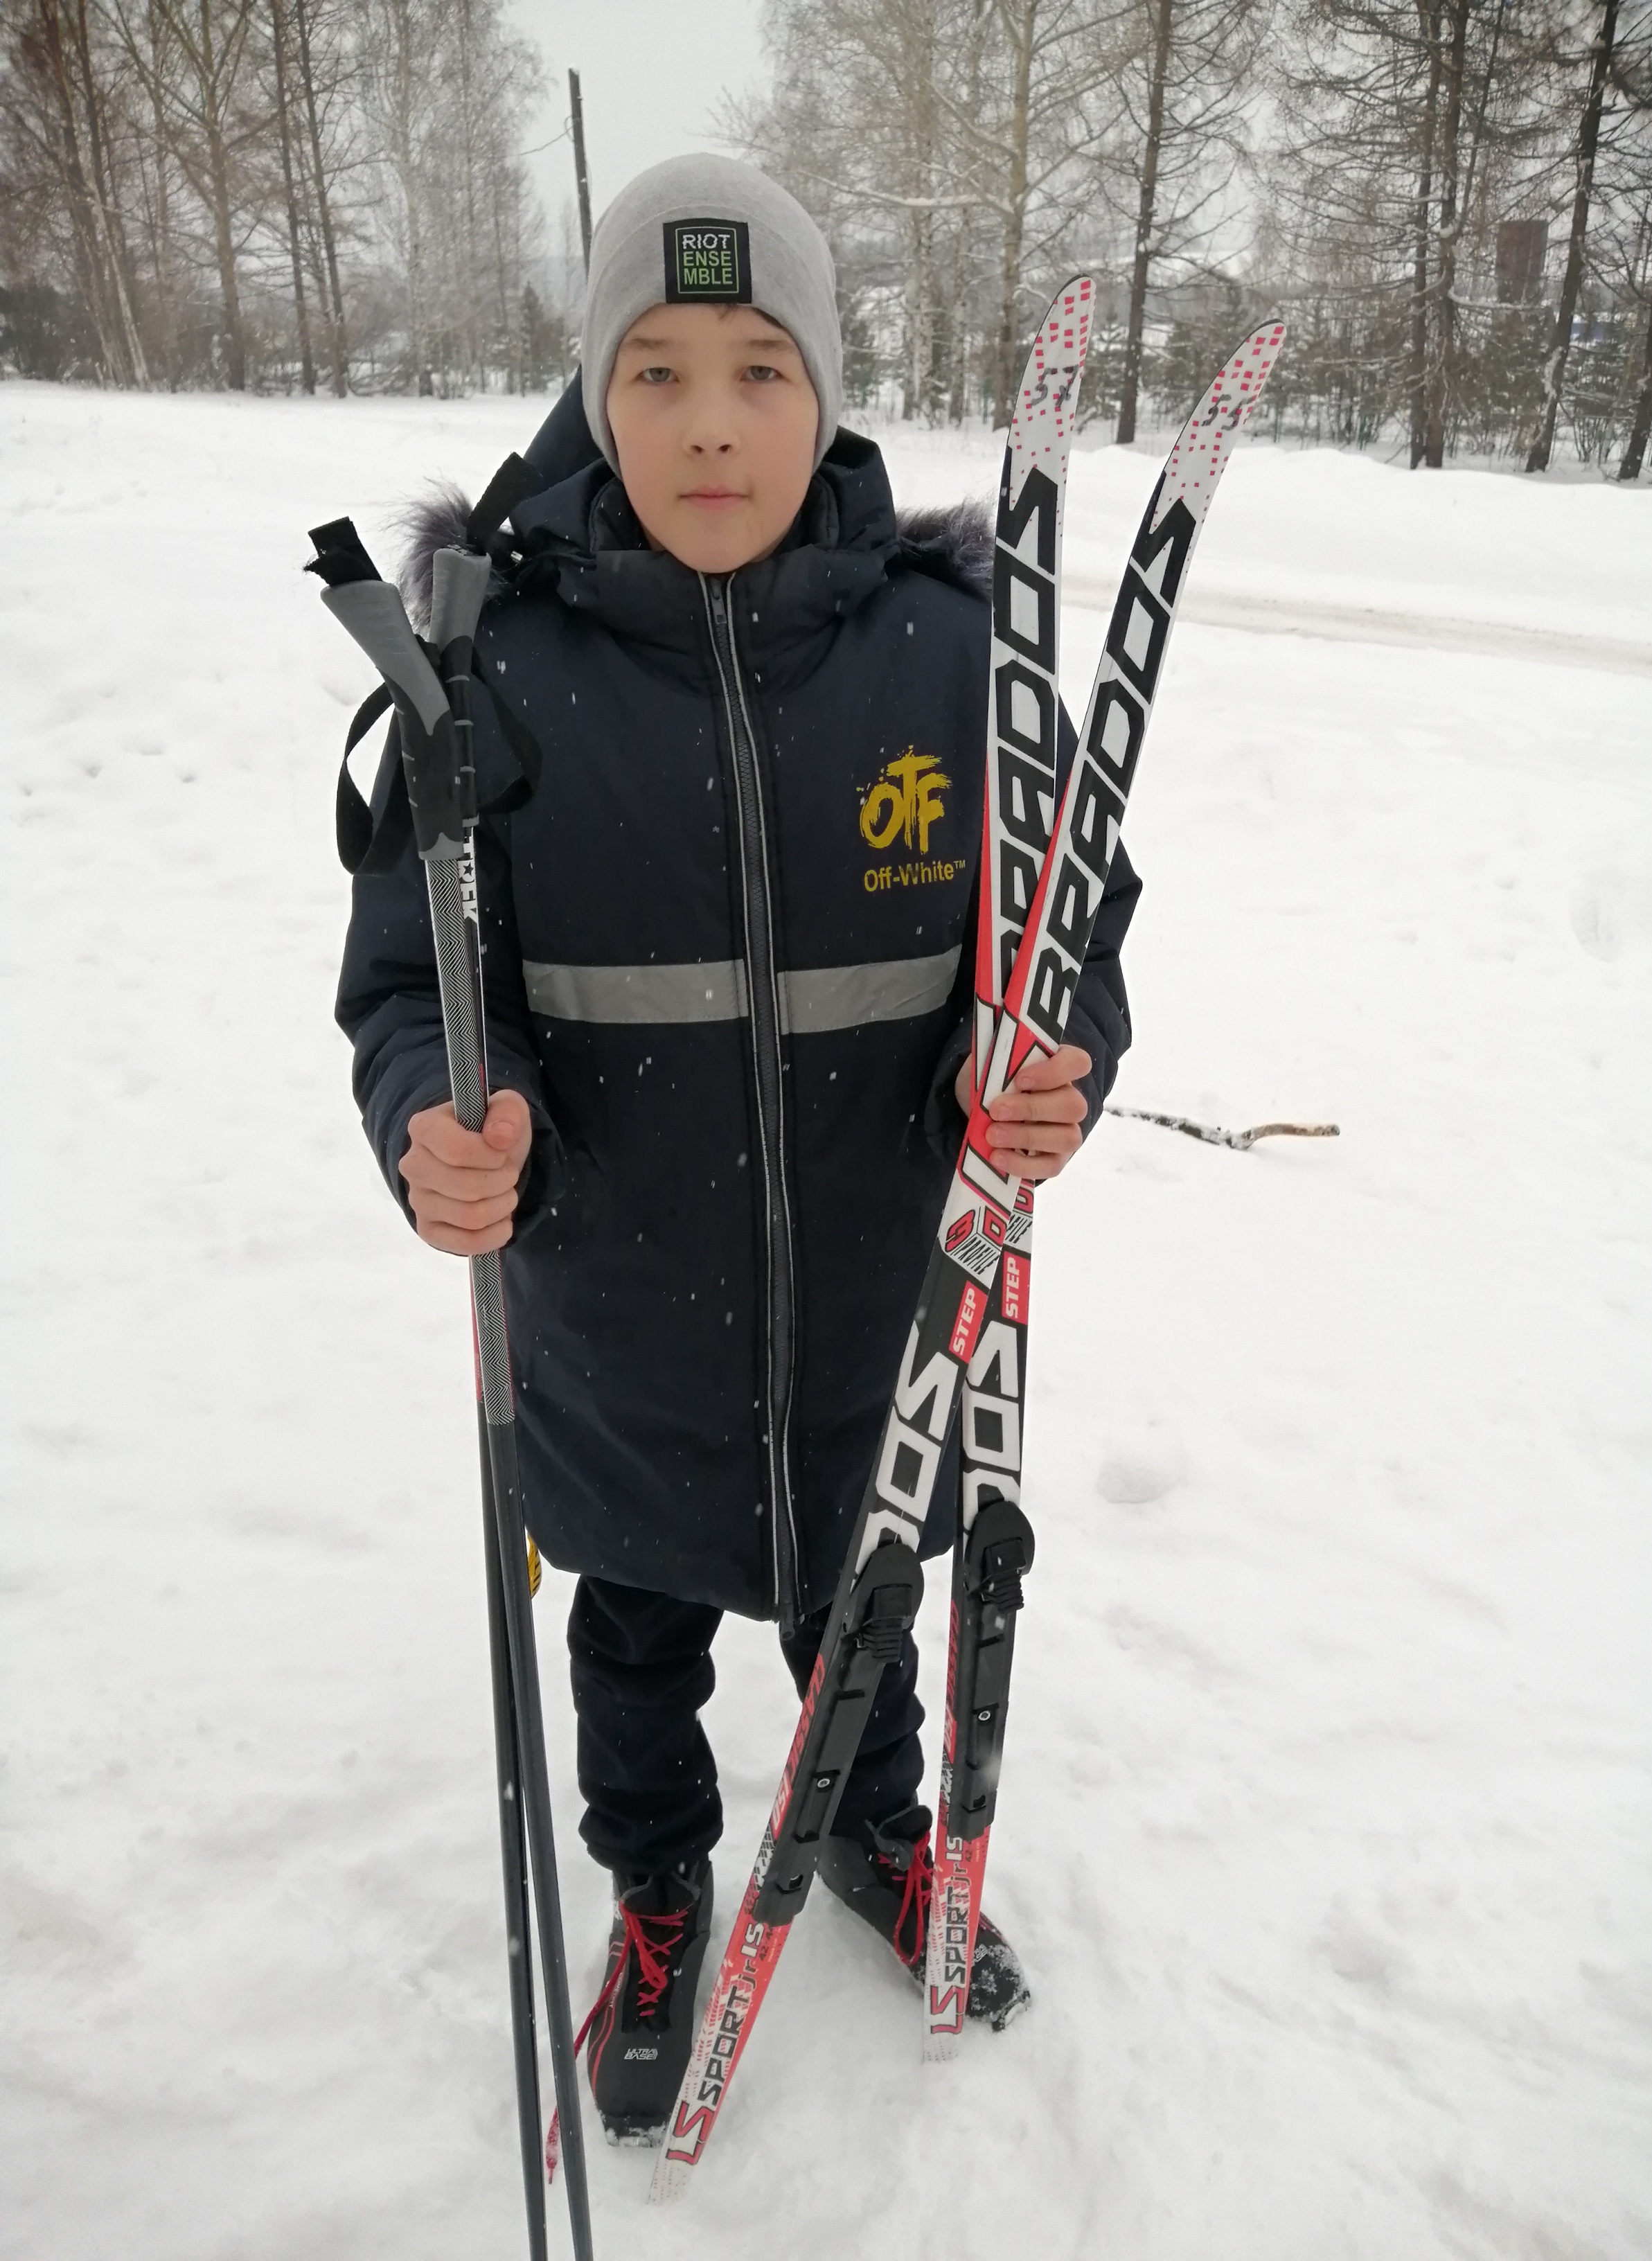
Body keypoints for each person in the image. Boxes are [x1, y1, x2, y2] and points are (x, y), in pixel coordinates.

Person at [337, 154, 1137, 2145]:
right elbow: (415, 984)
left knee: (866, 1615)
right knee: (634, 1640)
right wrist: (442, 1116)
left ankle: (868, 1828)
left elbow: (1068, 932)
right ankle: (660, 1892)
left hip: (883, 1317)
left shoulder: (951, 663)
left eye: (763, 370)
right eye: (661, 370)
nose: (712, 422)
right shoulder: (492, 677)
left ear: (830, 394)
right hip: (618, 1329)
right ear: (596, 396)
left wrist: (1051, 1065)